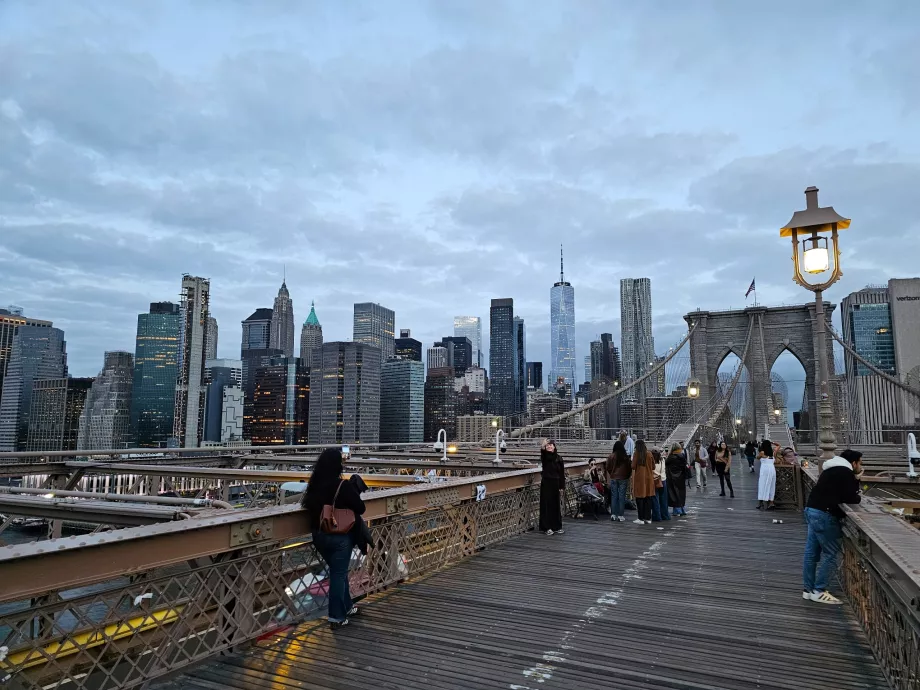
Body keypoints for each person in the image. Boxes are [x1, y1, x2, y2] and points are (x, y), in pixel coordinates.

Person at [303, 448, 367, 630]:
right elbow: (360, 508)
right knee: (338, 575)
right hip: (339, 537)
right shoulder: (342, 486)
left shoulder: (313, 486)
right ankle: (336, 617)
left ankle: (347, 607)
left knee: (338, 572)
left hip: (319, 536)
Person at [803, 449, 863, 604]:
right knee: (832, 554)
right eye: (860, 462)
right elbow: (852, 497)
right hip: (825, 515)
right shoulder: (845, 472)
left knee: (811, 554)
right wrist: (856, 479)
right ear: (854, 462)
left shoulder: (830, 469)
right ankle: (819, 590)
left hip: (811, 510)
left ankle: (808, 590)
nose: (861, 465)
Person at [539, 438, 566, 535]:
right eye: (548, 445)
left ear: (554, 447)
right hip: (546, 483)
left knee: (555, 506)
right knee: (546, 505)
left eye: (551, 445)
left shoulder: (559, 458)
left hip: (556, 483)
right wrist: (542, 445)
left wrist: (562, 487)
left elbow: (561, 473)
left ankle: (557, 526)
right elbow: (542, 453)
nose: (549, 446)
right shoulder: (545, 457)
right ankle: (546, 527)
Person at [606, 438, 631, 522]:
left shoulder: (611, 456)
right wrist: (627, 476)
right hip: (623, 478)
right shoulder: (625, 457)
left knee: (614, 496)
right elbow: (629, 468)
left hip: (614, 478)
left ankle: (613, 515)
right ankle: (620, 515)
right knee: (621, 497)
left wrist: (612, 474)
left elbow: (608, 467)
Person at [631, 439, 656, 524]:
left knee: (639, 498)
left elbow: (633, 466)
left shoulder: (636, 454)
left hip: (639, 479)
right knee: (648, 498)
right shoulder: (649, 454)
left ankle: (640, 518)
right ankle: (648, 518)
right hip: (649, 478)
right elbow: (653, 467)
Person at [665, 443, 688, 516]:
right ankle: (682, 509)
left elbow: (666, 463)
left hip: (672, 478)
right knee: (681, 493)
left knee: (674, 494)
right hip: (681, 477)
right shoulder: (682, 456)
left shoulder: (671, 457)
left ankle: (677, 510)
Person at [756, 439, 777, 510]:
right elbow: (779, 445)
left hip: (764, 470)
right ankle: (771, 503)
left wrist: (760, 456)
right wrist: (772, 442)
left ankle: (761, 502)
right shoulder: (773, 452)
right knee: (771, 486)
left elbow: (757, 458)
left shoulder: (762, 452)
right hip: (772, 469)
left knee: (762, 485)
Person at [651, 448, 670, 522]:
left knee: (655, 499)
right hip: (663, 480)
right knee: (664, 499)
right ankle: (665, 515)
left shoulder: (652, 462)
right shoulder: (662, 460)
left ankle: (657, 516)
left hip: (655, 481)